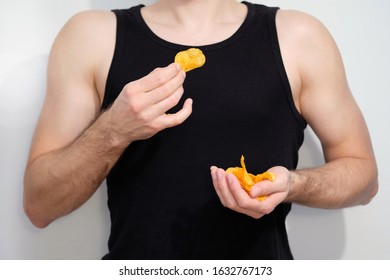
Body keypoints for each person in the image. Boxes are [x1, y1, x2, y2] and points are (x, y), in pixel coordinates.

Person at [23, 0, 378, 259]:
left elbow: (364, 177)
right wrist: (113, 130)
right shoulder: (91, 36)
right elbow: (39, 206)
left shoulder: (298, 36)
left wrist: (293, 185)